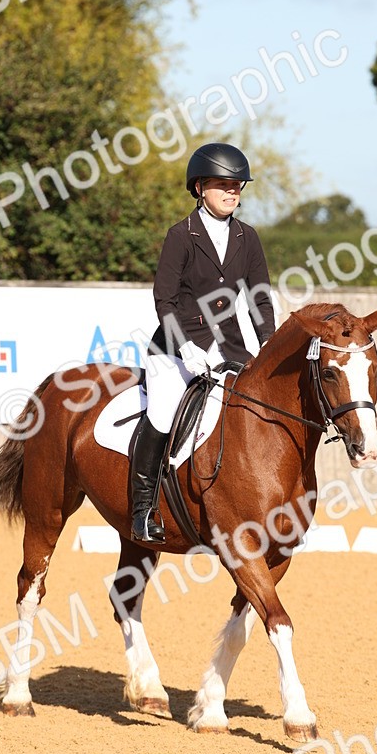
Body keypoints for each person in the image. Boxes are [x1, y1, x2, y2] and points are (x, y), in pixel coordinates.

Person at [130, 142, 276, 543]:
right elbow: (165, 298)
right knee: (161, 416)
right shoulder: (181, 235)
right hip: (176, 351)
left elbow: (259, 296)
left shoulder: (248, 237)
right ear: (199, 187)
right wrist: (184, 347)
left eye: (238, 186)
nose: (233, 192)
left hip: (229, 349)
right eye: (223, 184)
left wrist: (269, 347)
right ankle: (142, 511)